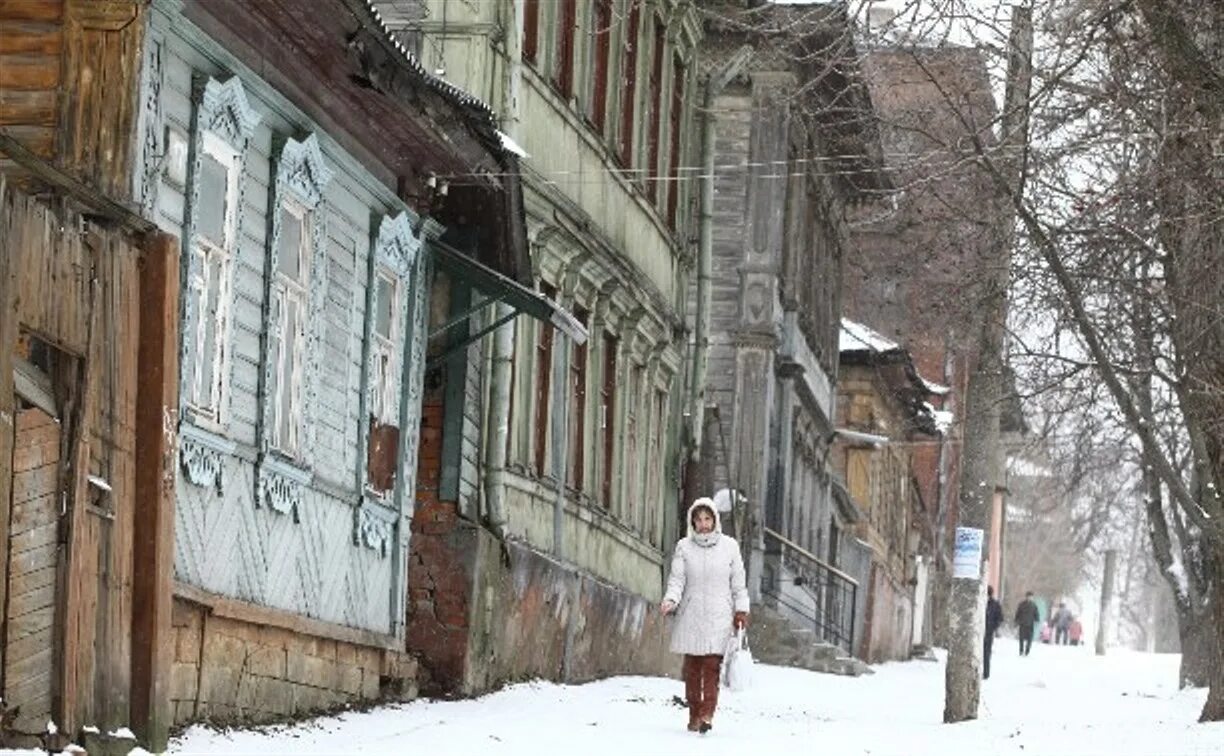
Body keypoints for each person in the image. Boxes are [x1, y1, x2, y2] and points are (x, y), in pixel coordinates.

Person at [661, 498, 749, 734]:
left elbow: (738, 584)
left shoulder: (730, 547)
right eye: (698, 520)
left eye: (707, 519)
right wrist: (671, 599)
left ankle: (707, 714)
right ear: (692, 522)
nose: (703, 524)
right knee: (692, 667)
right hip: (692, 613)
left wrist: (741, 610)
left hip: (720, 613)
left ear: (715, 520)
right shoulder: (684, 547)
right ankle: (694, 713)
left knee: (711, 665)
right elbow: (677, 580)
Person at [984, 586, 1004, 679]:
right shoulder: (980, 602)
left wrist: (993, 627)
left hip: (988, 632)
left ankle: (986, 673)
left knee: (986, 653)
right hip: (979, 632)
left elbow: (1000, 618)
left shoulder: (995, 604)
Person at [1014, 591, 1039, 656]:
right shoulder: (1021, 604)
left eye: (1031, 597)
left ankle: (1027, 650)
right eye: (1028, 597)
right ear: (1026, 597)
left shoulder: (1034, 605)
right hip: (1022, 624)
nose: (1029, 598)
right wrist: (1016, 621)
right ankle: (1021, 650)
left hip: (1030, 624)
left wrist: (1037, 619)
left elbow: (1036, 614)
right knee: (1021, 638)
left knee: (1030, 639)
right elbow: (1018, 613)